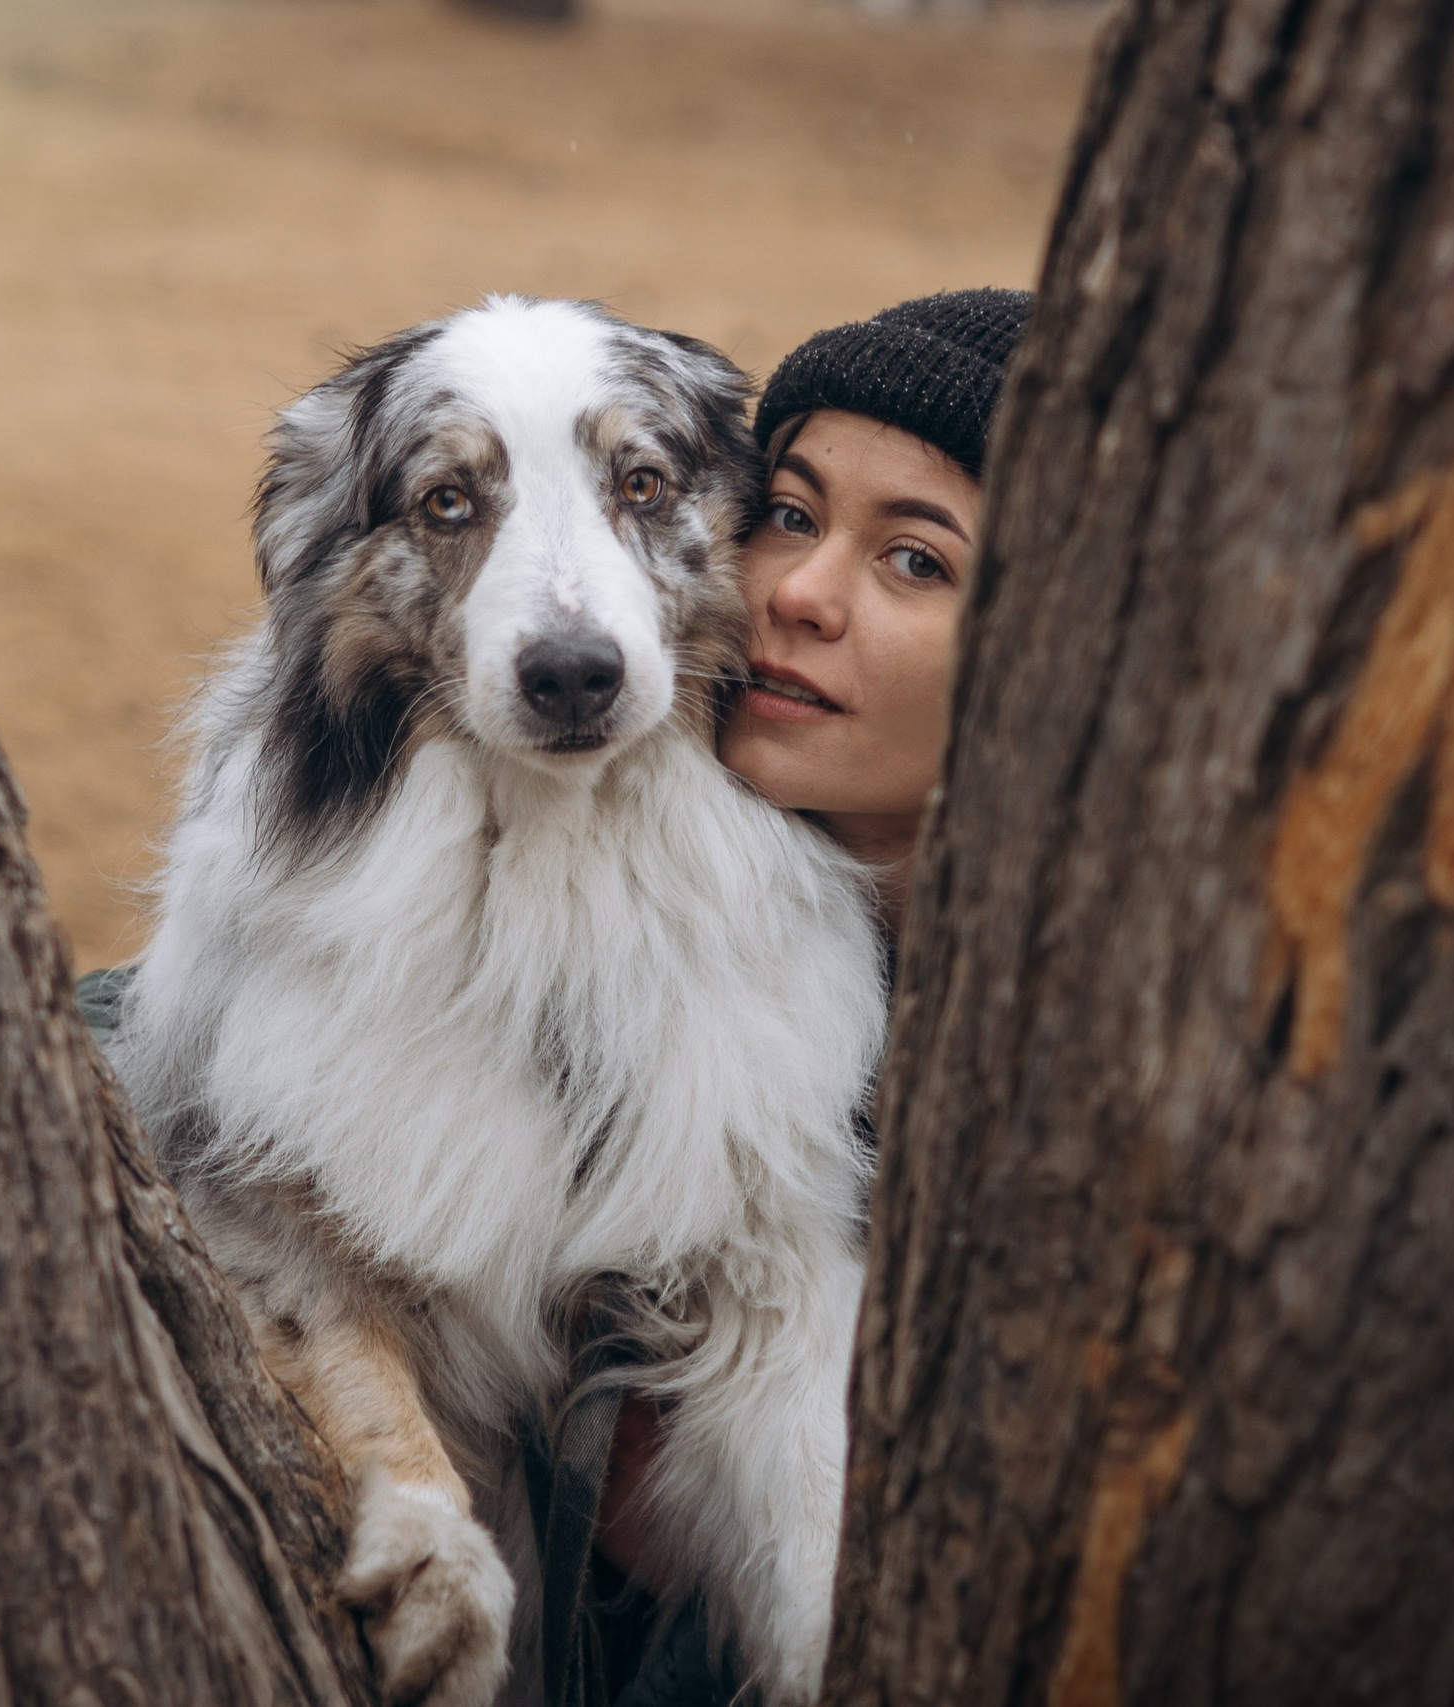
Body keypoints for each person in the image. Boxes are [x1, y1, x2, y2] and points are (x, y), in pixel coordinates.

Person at [80, 287, 1033, 1706]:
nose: (798, 599)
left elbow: (780, 1326)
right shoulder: (715, 815)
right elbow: (202, 1137)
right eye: (788, 517)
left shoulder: (1020, 1046)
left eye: (639, 485)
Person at [566, 288, 1031, 1707]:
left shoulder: (1052, 1075)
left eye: (913, 560)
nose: (799, 594)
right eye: (784, 512)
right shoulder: (591, 849)